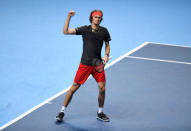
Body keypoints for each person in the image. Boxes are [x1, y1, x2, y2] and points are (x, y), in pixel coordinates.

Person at [56, 9, 111, 122]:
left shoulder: (104, 31)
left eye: (99, 17)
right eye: (96, 17)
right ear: (91, 18)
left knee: (102, 88)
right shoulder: (85, 29)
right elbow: (65, 31)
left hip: (97, 64)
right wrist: (69, 17)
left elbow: (107, 44)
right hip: (85, 64)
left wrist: (106, 55)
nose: (98, 19)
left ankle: (100, 113)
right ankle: (62, 111)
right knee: (74, 87)